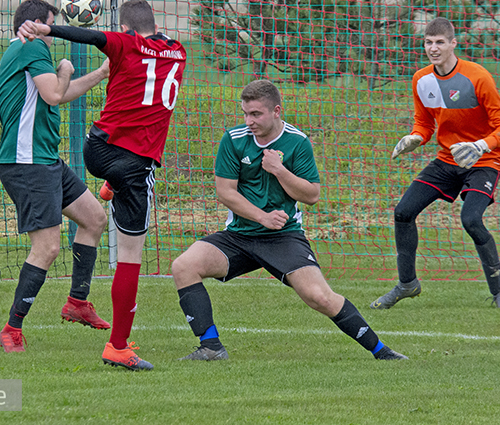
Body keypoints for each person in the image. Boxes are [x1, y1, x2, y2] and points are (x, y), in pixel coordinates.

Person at [171, 79, 408, 362]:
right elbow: (225, 192)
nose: (249, 121)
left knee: (319, 296)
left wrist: (279, 170)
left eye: (256, 114)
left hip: (283, 236)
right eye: (245, 113)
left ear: (276, 111)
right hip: (240, 234)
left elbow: (312, 195)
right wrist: (262, 217)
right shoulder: (233, 139)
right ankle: (211, 347)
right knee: (184, 266)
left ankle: (382, 352)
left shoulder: (297, 141)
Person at [17, 0, 187, 371]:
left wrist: (49, 30)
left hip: (97, 148)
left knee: (109, 205)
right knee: (130, 257)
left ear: (123, 28)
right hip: (133, 163)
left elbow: (93, 36)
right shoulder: (178, 52)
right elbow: (104, 38)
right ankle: (118, 347)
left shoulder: (124, 43)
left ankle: (110, 187)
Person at [370, 17, 500, 310]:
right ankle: (407, 284)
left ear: (453, 44)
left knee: (471, 220)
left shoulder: (478, 77)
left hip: (484, 161)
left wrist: (480, 145)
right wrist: (415, 137)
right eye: (428, 42)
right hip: (447, 160)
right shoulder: (421, 79)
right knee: (403, 212)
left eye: (440, 42)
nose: (433, 48)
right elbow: (424, 123)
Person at [0, 0, 111, 353]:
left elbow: (58, 94)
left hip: (44, 160)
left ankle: (77, 303)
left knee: (93, 218)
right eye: (51, 24)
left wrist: (101, 73)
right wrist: (64, 68)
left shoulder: (27, 52)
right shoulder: (31, 48)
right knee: (47, 248)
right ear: (35, 25)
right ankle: (11, 329)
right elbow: (55, 92)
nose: (53, 32)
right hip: (27, 163)